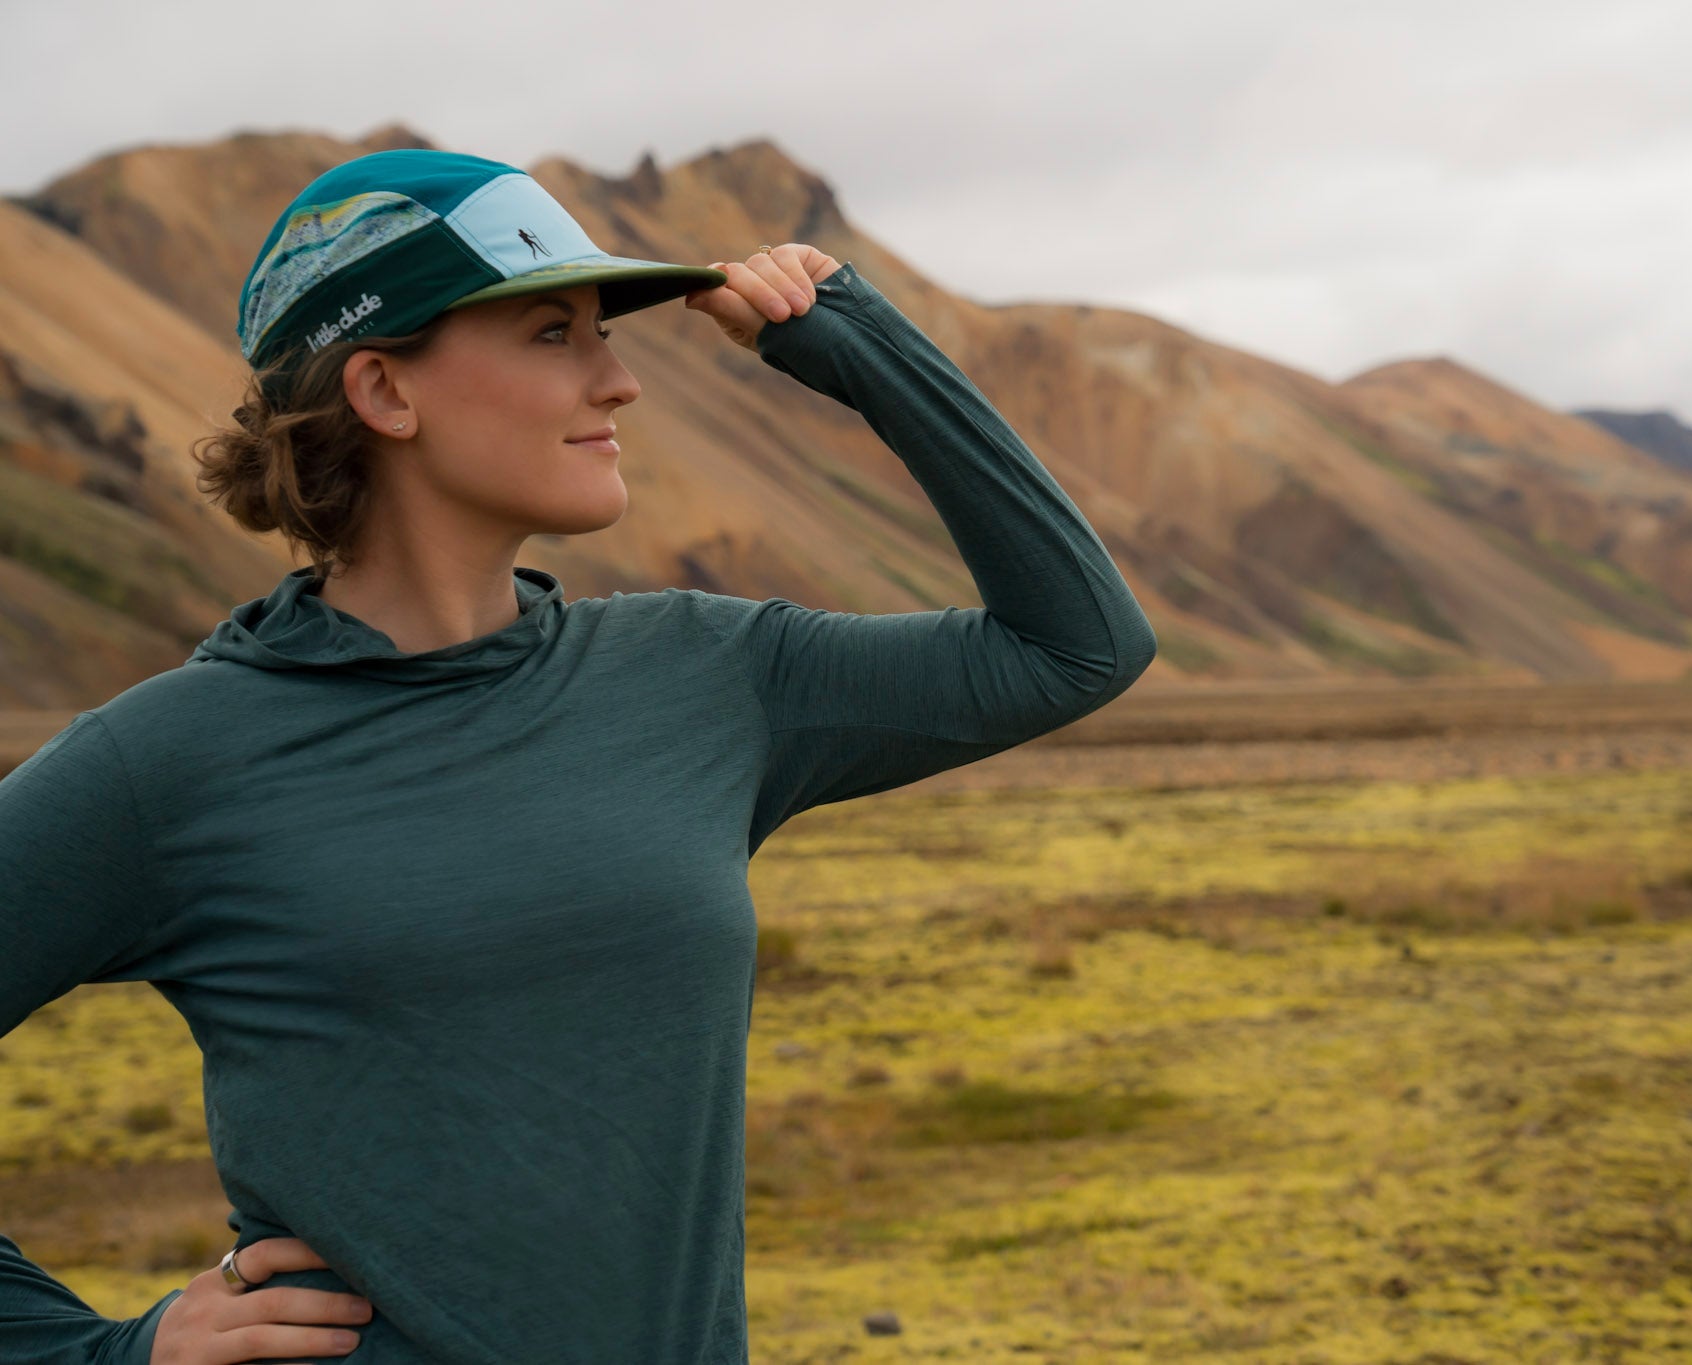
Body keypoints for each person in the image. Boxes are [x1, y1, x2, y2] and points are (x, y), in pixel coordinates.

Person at [0, 148, 1156, 1363]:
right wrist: (104, 1352)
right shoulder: (173, 761)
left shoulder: (707, 676)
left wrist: (853, 341)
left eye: (602, 332)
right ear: (385, 391)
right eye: (554, 334)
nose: (617, 382)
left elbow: (1072, 646)